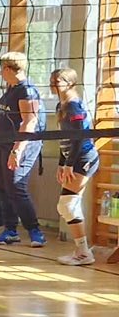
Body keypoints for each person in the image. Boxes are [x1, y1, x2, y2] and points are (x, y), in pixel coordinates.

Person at [0, 52, 45, 246]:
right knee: (3, 186)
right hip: (1, 143)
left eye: (2, 68)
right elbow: (1, 118)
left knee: (16, 187)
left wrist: (17, 150)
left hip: (21, 145)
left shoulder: (27, 91)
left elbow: (29, 122)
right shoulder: (10, 89)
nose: (1, 72)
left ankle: (35, 231)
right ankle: (10, 230)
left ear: (7, 69)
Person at [51, 68, 99, 266]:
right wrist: (61, 163)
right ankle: (82, 250)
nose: (53, 85)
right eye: (52, 81)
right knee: (68, 205)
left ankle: (83, 252)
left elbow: (79, 138)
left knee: (67, 205)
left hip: (84, 157)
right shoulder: (61, 105)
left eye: (57, 81)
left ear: (70, 83)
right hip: (74, 158)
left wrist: (69, 164)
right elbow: (64, 139)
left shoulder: (73, 106)